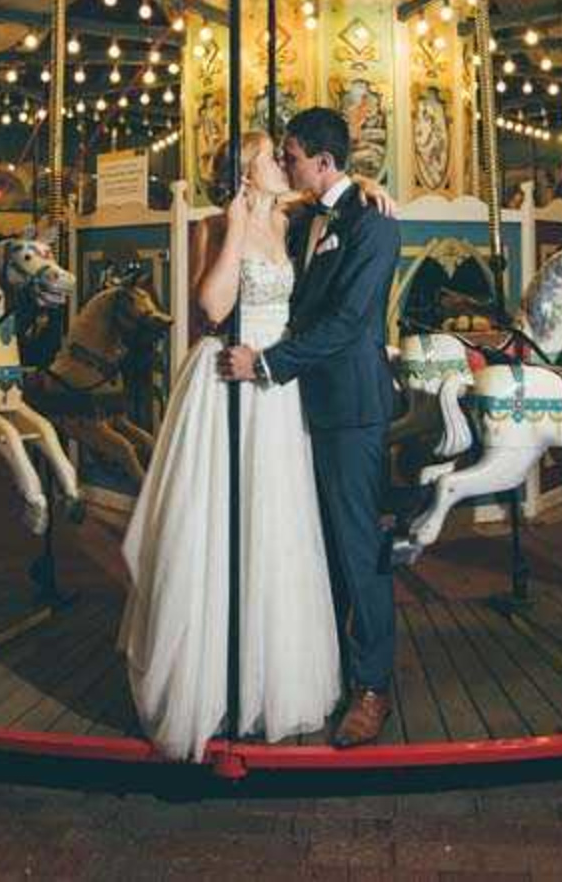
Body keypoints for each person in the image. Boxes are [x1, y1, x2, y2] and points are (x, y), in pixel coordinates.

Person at [118, 131, 341, 761]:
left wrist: (370, 187)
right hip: (227, 382)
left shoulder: (292, 219)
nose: (283, 163)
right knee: (216, 527)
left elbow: (330, 195)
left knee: (275, 527)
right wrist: (239, 225)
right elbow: (210, 308)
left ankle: (267, 676)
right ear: (246, 172)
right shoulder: (217, 225)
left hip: (273, 386)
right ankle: (209, 680)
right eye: (271, 156)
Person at [220, 107, 402, 749]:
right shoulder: (310, 217)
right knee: (316, 548)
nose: (289, 167)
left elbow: (351, 321)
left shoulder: (372, 226)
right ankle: (325, 670)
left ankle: (374, 685)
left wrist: (267, 362)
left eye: (293, 156)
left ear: (322, 162)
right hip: (303, 407)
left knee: (358, 551)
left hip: (349, 407)